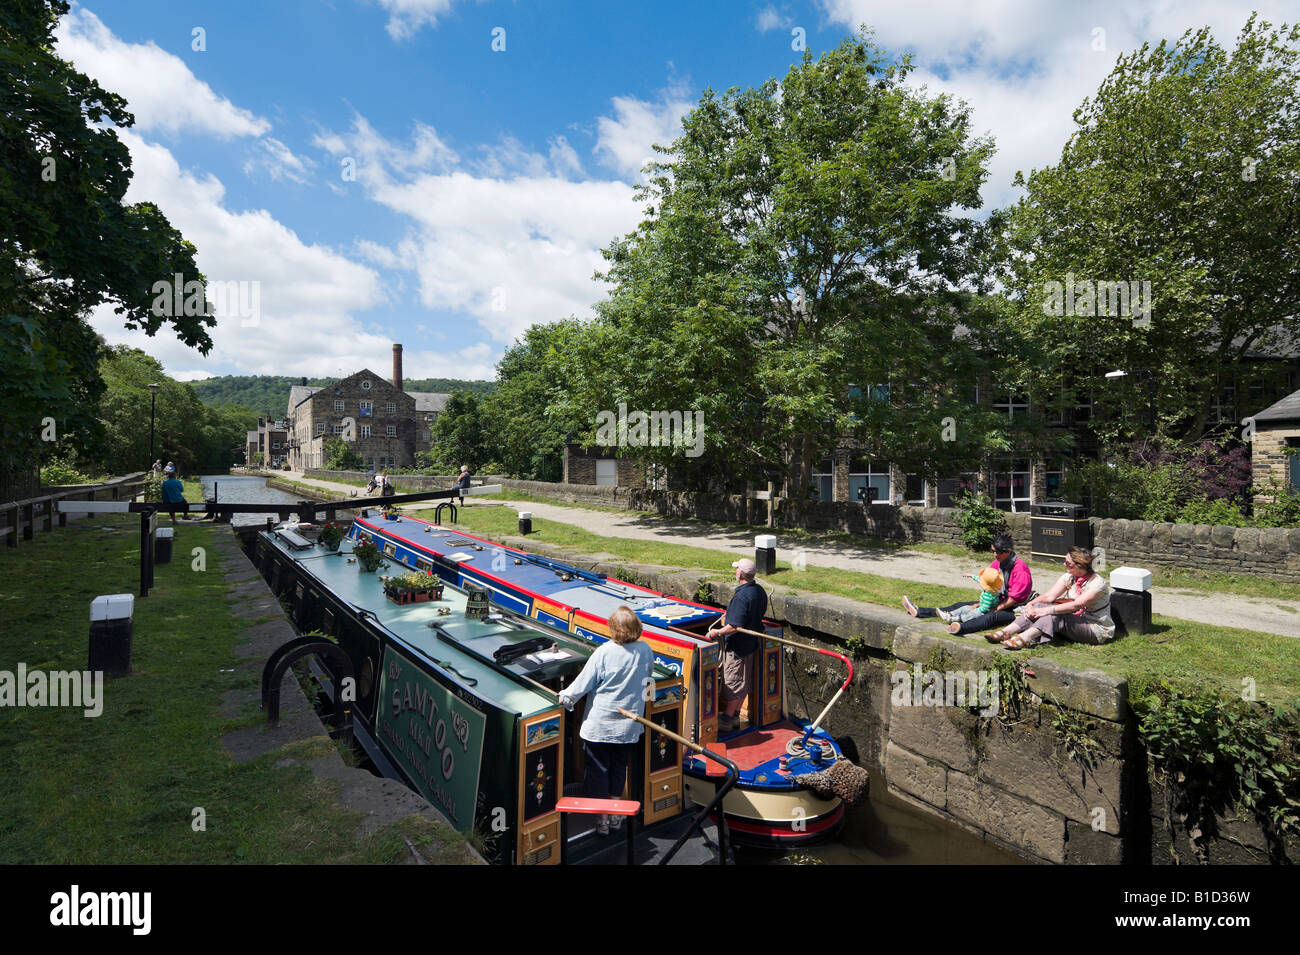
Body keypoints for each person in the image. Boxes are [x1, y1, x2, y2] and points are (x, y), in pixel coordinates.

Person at [557, 606, 655, 835]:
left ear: (613, 629)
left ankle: (602, 820)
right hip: (629, 726)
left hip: (600, 726)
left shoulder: (604, 652)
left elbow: (583, 683)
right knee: (619, 768)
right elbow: (648, 682)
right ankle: (615, 815)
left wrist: (565, 698)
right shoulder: (645, 650)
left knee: (598, 771)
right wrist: (647, 703)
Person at [903, 533, 1032, 635]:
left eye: (998, 552)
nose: (994, 554)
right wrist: (981, 604)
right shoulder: (997, 563)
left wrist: (995, 609)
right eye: (993, 551)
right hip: (996, 600)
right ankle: (921, 611)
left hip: (1012, 608)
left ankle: (961, 628)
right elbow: (989, 584)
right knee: (962, 605)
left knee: (990, 617)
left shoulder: (1020, 569)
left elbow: (1013, 598)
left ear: (1007, 551)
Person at [987, 546, 1115, 650]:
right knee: (1040, 606)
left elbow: (1076, 605)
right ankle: (1006, 632)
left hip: (1094, 628)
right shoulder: (1069, 577)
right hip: (1075, 621)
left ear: (1079, 565)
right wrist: (1031, 605)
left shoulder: (1097, 583)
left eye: (1068, 563)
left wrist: (1044, 611)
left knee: (1055, 613)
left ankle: (1024, 638)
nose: (1064, 564)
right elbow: (1049, 596)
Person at [708, 557, 768, 733]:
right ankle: (734, 716)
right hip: (750, 645)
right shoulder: (759, 591)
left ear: (740, 573)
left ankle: (727, 719)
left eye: (736, 570)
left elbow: (734, 626)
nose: (735, 572)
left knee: (733, 682)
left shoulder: (741, 597)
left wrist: (716, 632)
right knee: (744, 681)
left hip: (737, 647)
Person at [941, 567, 1004, 634]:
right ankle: (949, 614)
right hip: (980, 607)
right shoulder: (992, 587)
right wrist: (971, 575)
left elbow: (985, 608)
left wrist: (975, 609)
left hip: (984, 612)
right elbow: (979, 579)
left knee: (972, 614)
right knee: (965, 608)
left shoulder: (989, 596)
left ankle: (955, 619)